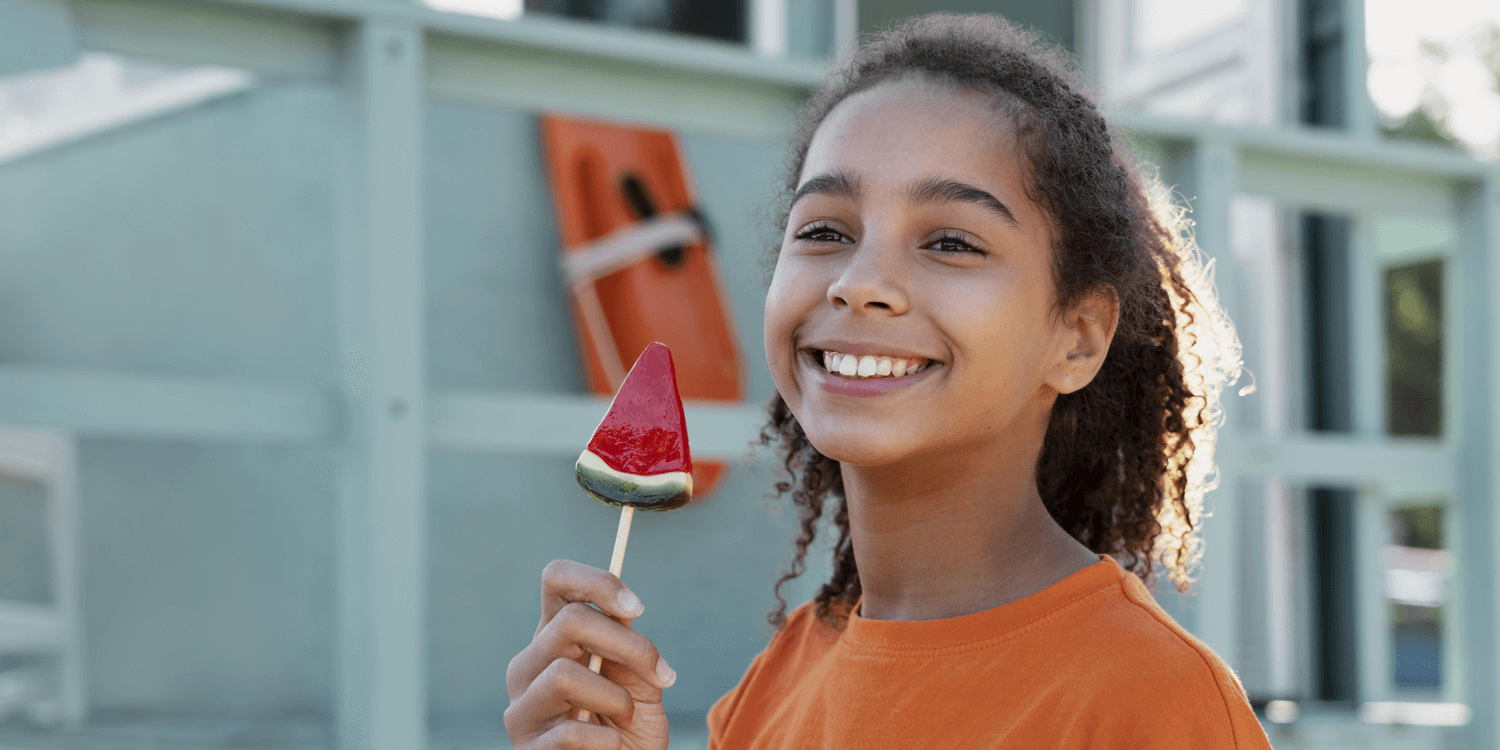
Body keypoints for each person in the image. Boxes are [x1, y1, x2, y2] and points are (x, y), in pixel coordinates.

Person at [504, 13, 1274, 749]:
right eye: (826, 232)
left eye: (949, 241)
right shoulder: (775, 683)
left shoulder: (1154, 704)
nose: (858, 282)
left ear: (1077, 338)